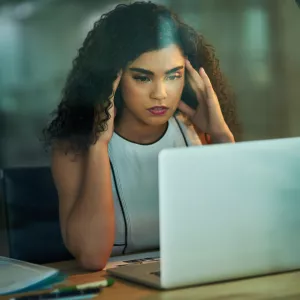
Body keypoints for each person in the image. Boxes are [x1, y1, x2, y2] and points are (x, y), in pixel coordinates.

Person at [43, 1, 240, 270]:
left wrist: (220, 136)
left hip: (191, 275)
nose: (160, 93)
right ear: (112, 80)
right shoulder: (73, 150)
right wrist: (99, 145)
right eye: (143, 78)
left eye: (173, 76)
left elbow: (237, 233)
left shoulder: (197, 133)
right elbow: (92, 257)